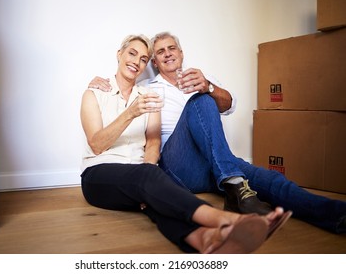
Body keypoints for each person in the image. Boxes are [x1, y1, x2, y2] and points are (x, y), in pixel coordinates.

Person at [88, 31, 346, 234]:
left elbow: (230, 105)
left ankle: (335, 214)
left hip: (215, 162)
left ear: (181, 52)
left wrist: (208, 87)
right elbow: (124, 84)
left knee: (270, 181)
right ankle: (234, 182)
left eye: (172, 48)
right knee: (200, 102)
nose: (167, 54)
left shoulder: (201, 77)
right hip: (177, 168)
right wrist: (97, 82)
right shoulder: (146, 87)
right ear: (153, 62)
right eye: (159, 52)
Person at [80, 34, 289, 254]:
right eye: (132, 53)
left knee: (159, 200)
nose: (136, 61)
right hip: (99, 175)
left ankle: (203, 239)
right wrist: (130, 113)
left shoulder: (149, 95)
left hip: (137, 177)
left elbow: (153, 142)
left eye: (143, 59)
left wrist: (149, 179)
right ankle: (227, 220)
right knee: (149, 179)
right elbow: (96, 144)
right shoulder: (94, 93)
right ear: (119, 54)